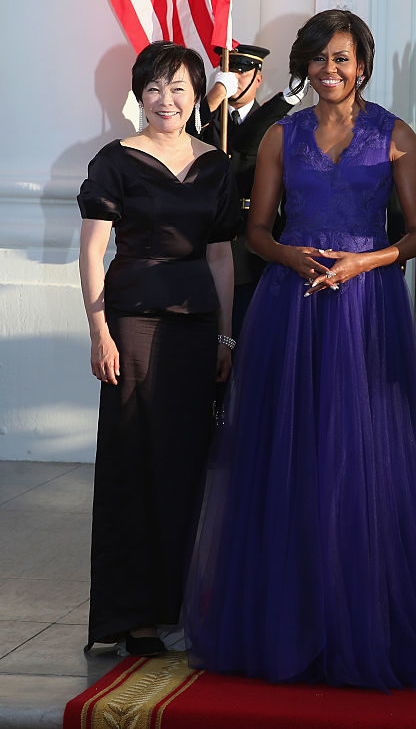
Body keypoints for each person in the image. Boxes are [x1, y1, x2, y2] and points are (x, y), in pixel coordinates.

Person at [183, 10, 416, 691]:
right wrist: (289, 254)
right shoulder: (282, 136)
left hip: (367, 311)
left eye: (341, 58)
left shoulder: (396, 135)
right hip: (294, 309)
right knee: (293, 463)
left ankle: (360, 623)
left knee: (359, 464)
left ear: (362, 65)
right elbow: (256, 229)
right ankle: (291, 621)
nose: (329, 70)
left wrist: (361, 263)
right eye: (317, 58)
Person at [77, 41, 236, 657]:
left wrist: (225, 334)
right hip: (132, 324)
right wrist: (99, 329)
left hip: (196, 328)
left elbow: (221, 255)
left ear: (197, 94)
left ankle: (171, 608)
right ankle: (127, 614)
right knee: (130, 465)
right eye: (154, 88)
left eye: (178, 88)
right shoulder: (115, 161)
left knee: (183, 467)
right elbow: (93, 251)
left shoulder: (216, 165)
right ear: (139, 94)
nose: (166, 100)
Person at [194, 43, 305, 336]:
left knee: (249, 340)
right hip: (203, 246)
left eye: (243, 71)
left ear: (258, 78)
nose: (235, 76)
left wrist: (285, 99)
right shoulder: (204, 119)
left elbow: (248, 139)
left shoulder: (274, 122)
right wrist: (215, 95)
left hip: (251, 251)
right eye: (228, 69)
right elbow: (185, 132)